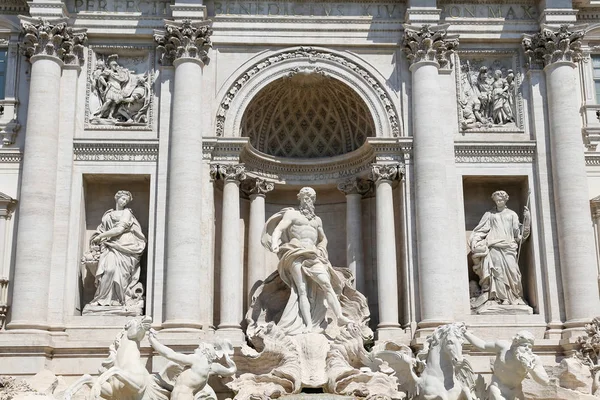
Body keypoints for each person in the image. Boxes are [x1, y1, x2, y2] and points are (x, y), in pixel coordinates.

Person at [261, 187, 352, 335]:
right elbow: (279, 228)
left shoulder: (317, 220)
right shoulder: (292, 214)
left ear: (313, 200)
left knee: (326, 283)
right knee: (301, 290)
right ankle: (308, 325)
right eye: (304, 197)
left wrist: (322, 248)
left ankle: (340, 316)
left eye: (309, 198)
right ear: (299, 198)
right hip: (295, 252)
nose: (306, 200)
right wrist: (275, 241)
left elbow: (323, 238)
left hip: (313, 254)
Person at [85, 190, 146, 312]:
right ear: (116, 198)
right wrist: (98, 238)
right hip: (109, 246)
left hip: (125, 245)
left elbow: (119, 229)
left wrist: (101, 237)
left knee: (121, 274)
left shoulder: (127, 212)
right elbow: (102, 229)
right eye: (123, 199)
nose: (124, 202)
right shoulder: (108, 214)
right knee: (108, 270)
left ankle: (119, 300)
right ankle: (103, 299)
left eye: (126, 200)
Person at [469, 190, 530, 310]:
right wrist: (475, 241)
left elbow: (519, 235)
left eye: (501, 199)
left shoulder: (512, 214)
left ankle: (515, 296)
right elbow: (481, 230)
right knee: (497, 273)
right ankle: (502, 299)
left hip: (509, 247)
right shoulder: (489, 214)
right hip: (494, 247)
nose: (498, 202)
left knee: (513, 272)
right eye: (496, 200)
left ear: (506, 199)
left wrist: (527, 220)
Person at [148, 331, 236, 400]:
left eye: (198, 348)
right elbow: (231, 370)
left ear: (204, 352)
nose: (195, 349)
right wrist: (227, 357)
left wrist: (152, 340)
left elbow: (170, 354)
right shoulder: (211, 367)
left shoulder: (197, 359)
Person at [463, 329, 550, 400]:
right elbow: (483, 346)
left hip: (516, 391)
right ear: (515, 344)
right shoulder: (503, 348)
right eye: (524, 345)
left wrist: (531, 369)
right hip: (498, 387)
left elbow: (545, 381)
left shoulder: (533, 359)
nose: (527, 349)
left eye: (530, 347)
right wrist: (465, 333)